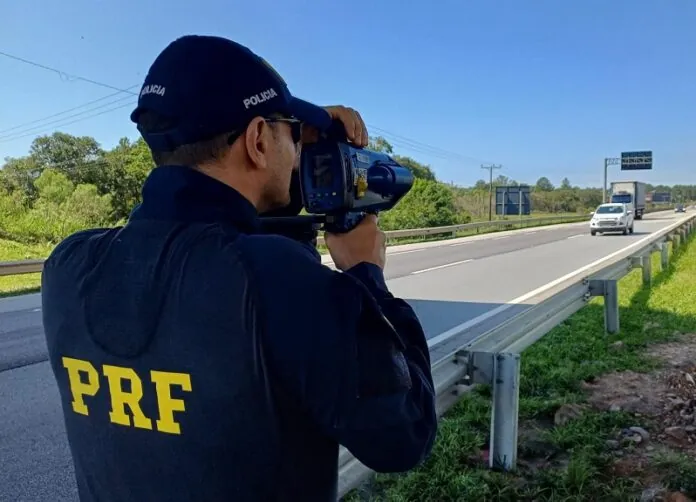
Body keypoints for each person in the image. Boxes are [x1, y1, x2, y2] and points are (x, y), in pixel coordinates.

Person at [41, 34, 437, 502]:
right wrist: (367, 277)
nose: (298, 155)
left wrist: (279, 165)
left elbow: (221, 264)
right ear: (256, 141)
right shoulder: (282, 282)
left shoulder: (68, 266)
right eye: (290, 134)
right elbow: (403, 435)